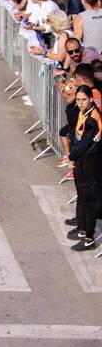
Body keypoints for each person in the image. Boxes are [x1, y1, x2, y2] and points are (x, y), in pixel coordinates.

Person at [66, 86, 102, 251]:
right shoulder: (83, 112)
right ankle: (82, 227)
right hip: (81, 160)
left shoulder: (92, 119)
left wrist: (70, 156)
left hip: (90, 161)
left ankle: (89, 237)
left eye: (83, 100)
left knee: (89, 199)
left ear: (91, 99)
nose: (80, 103)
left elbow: (86, 143)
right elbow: (74, 131)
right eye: (78, 99)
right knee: (82, 195)